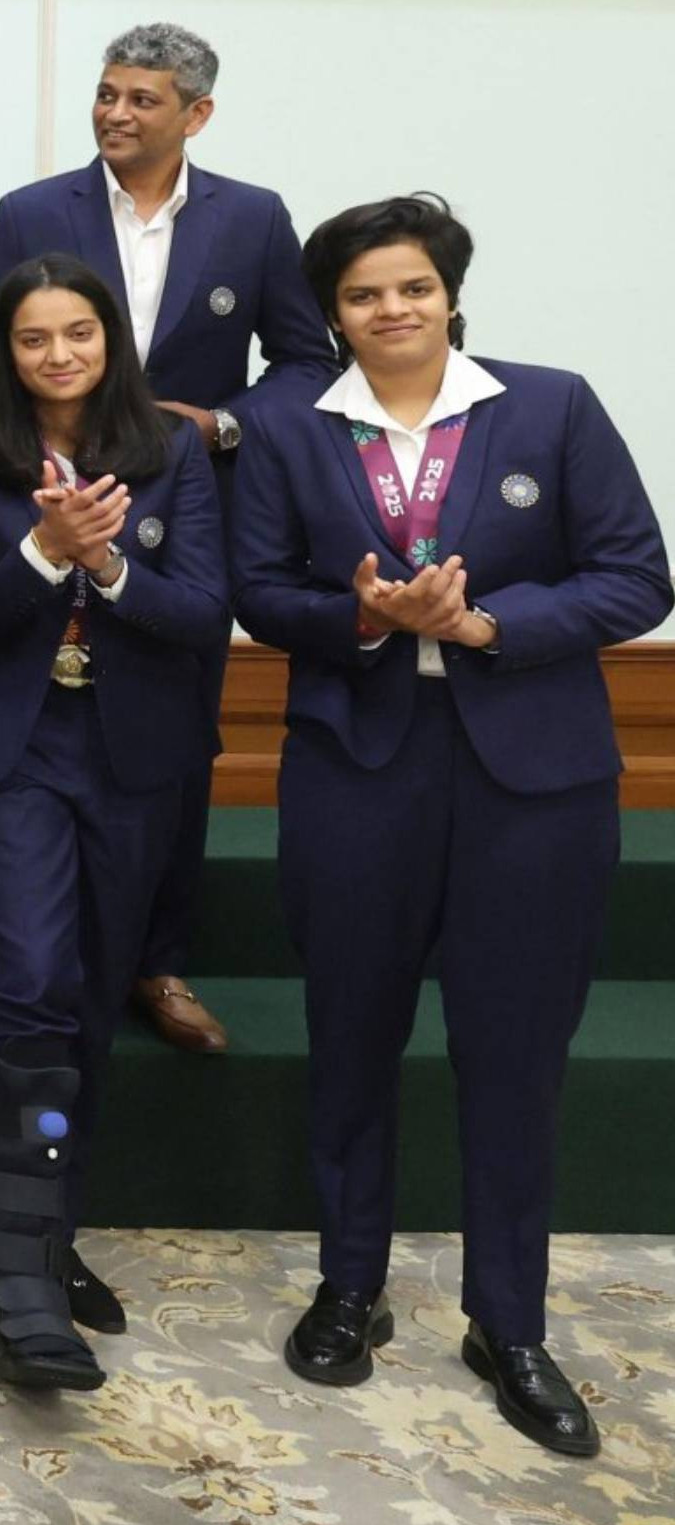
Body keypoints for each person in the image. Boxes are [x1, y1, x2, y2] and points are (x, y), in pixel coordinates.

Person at [235, 194, 669, 1459]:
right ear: (335, 314)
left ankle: (510, 1323)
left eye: (413, 286)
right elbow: (258, 589)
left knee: (515, 1053)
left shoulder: (550, 406)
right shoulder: (290, 427)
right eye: (364, 293)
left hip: (533, 783)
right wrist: (365, 617)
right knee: (352, 1035)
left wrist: (485, 624)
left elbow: (636, 577)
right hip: (358, 770)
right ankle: (350, 1287)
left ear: (450, 294)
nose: (393, 309)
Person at [0, 22, 337, 1054]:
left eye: (141, 99)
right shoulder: (32, 210)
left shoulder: (252, 218)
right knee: (10, 718)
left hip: (187, 507)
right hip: (40, 498)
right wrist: (16, 487)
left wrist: (218, 427)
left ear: (196, 114)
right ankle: (1, 949)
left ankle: (155, 959)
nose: (115, 113)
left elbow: (305, 364)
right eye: (106, 93)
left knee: (173, 730)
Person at [0, 255, 226, 1389]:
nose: (58, 354)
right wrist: (42, 552)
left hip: (134, 756)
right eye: (33, 338)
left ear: (111, 340)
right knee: (32, 974)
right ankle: (10, 1272)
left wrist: (105, 566)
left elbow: (203, 612)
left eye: (78, 333)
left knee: (95, 997)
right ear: (5, 353)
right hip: (16, 752)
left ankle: (47, 1234)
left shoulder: (173, 451)